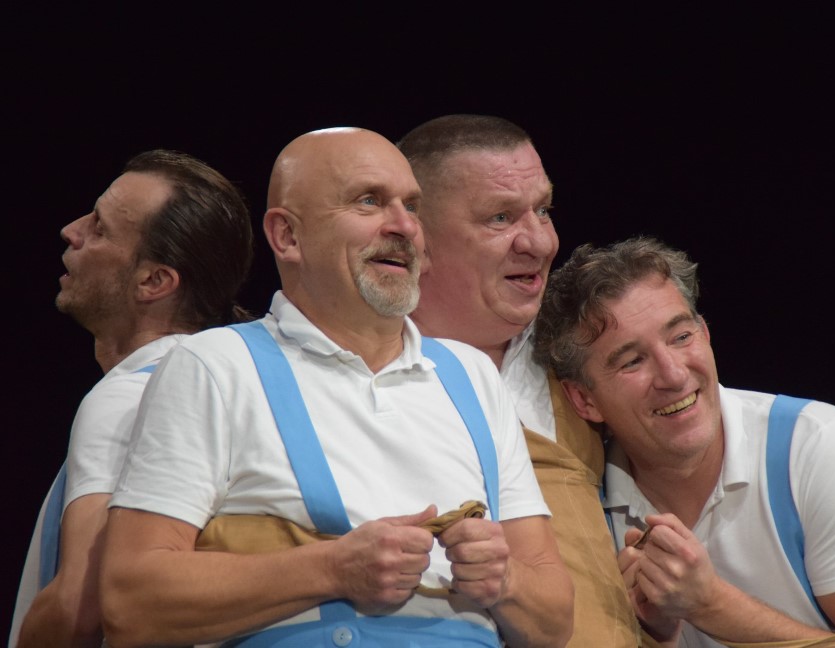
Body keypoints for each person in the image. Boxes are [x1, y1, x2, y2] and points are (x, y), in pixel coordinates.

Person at [99, 127, 573, 648]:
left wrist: (507, 582)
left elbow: (554, 623)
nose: (404, 226)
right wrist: (332, 570)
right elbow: (130, 603)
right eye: (368, 201)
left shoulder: (472, 376)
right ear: (287, 236)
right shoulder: (215, 366)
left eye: (412, 207)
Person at [532, 235, 835, 648]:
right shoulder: (582, 509)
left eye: (681, 337)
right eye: (632, 361)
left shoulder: (826, 452)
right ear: (583, 399)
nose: (673, 375)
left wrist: (709, 605)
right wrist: (655, 636)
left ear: (705, 334)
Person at [397, 114, 640, 647]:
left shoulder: (580, 358)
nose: (540, 242)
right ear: (417, 237)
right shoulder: (356, 378)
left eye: (544, 210)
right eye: (500, 217)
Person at [10, 149, 255, 648]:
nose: (71, 231)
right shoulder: (232, 387)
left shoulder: (129, 396)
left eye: (99, 228)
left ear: (154, 281)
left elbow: (80, 606)